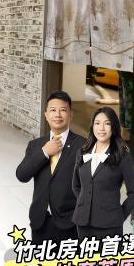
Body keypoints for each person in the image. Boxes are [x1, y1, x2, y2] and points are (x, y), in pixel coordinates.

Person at [16, 91, 85, 243]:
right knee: (40, 259)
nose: (57, 115)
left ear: (71, 114)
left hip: (71, 225)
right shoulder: (36, 145)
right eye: (53, 110)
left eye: (63, 110)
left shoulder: (83, 146)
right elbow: (22, 175)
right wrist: (44, 152)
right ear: (46, 115)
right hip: (40, 222)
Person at [72, 107, 134, 240]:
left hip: (109, 226)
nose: (101, 128)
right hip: (83, 223)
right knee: (85, 254)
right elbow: (76, 185)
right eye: (97, 123)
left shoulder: (122, 157)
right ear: (92, 126)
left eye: (107, 123)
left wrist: (119, 215)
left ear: (113, 127)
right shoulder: (83, 152)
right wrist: (85, 205)